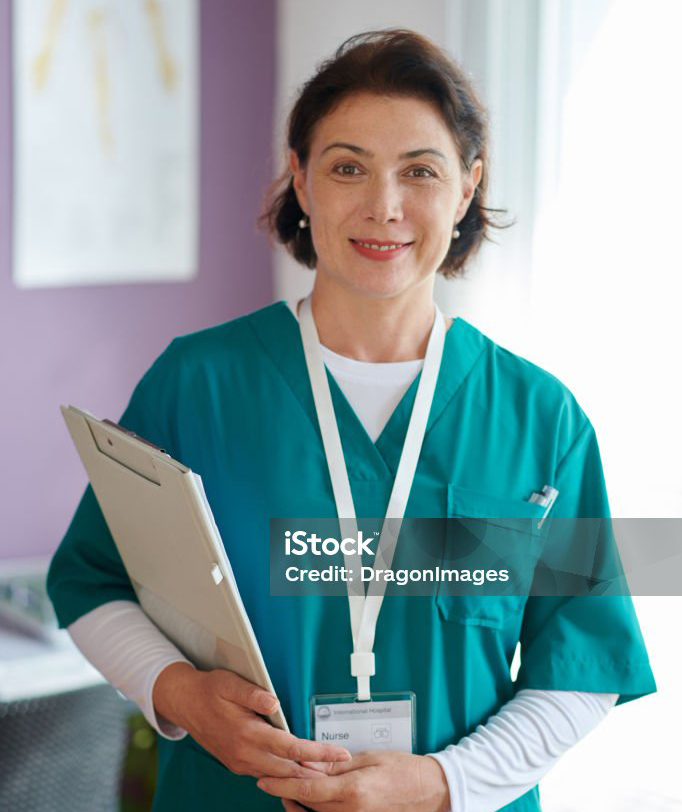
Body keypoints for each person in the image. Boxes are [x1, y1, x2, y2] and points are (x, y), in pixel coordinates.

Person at [47, 29, 656, 812]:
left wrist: (444, 783)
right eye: (347, 167)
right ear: (300, 180)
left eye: (421, 171)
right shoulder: (196, 385)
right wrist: (180, 695)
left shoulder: (543, 421)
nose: (384, 206)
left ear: (467, 189)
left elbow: (581, 670)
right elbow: (92, 580)